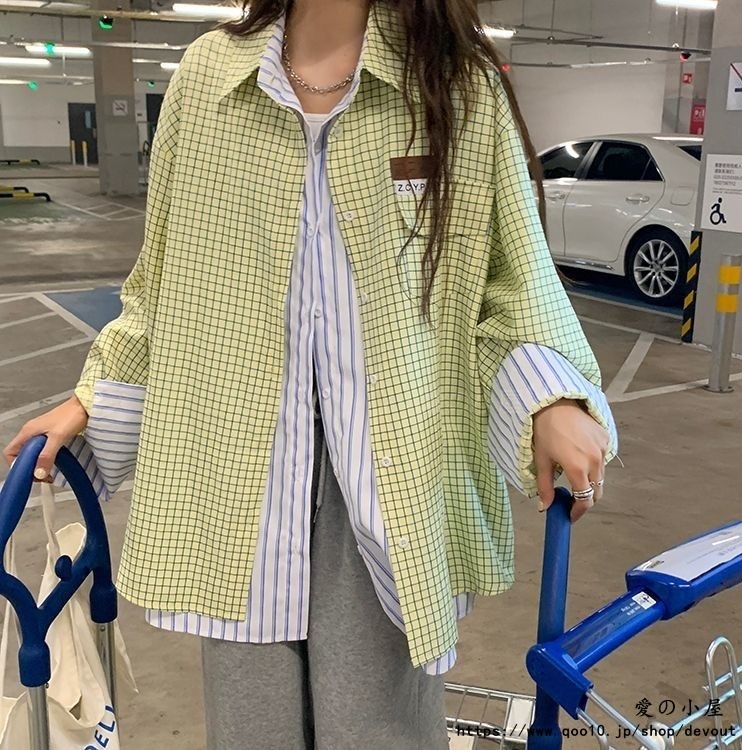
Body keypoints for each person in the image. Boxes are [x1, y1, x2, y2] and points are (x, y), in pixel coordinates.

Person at [4, 0, 618, 747]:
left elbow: (510, 281)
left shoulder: (455, 85)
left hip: (392, 478)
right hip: (241, 477)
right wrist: (93, 397)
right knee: (251, 730)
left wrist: (551, 397)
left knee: (380, 731)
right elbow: (166, 282)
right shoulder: (209, 79)